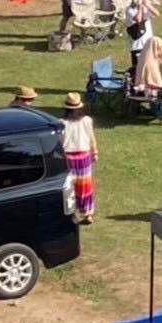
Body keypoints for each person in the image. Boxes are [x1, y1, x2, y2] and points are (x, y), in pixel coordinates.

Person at [60, 93, 97, 224]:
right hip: (83, 156)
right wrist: (95, 152)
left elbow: (59, 142)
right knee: (85, 186)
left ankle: (73, 212)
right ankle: (87, 213)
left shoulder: (61, 123)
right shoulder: (87, 120)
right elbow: (91, 137)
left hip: (68, 157)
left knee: (70, 186)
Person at [125, 0, 158, 75]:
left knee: (150, 69)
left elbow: (156, 13)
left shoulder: (145, 7)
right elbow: (138, 19)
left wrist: (147, 4)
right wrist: (140, 6)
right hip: (137, 46)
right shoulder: (130, 10)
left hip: (148, 43)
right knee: (139, 71)